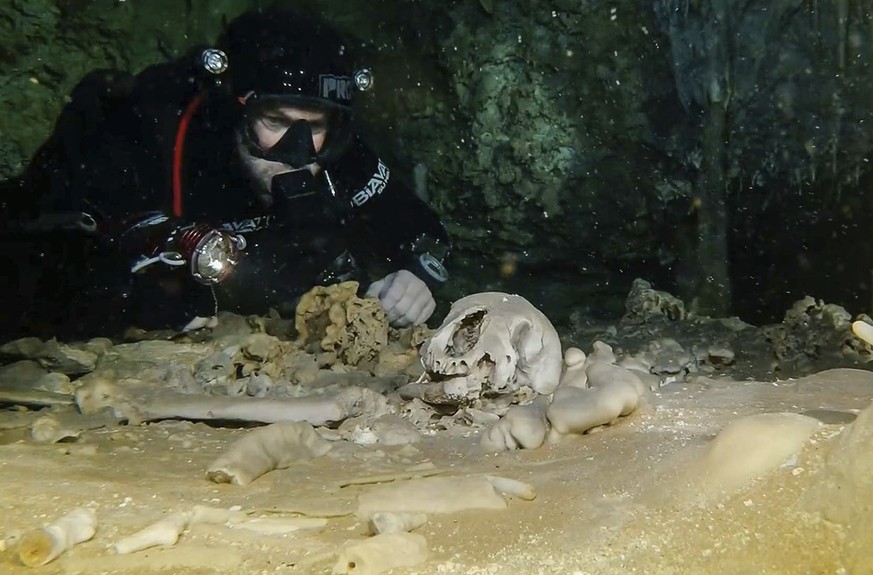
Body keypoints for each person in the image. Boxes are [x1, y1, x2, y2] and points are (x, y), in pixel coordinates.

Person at [0, 8, 451, 340]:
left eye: (312, 126)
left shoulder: (335, 152)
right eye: (273, 121)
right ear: (233, 110)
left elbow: (423, 233)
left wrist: (416, 277)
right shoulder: (152, 134)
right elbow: (40, 250)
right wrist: (129, 294)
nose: (295, 152)